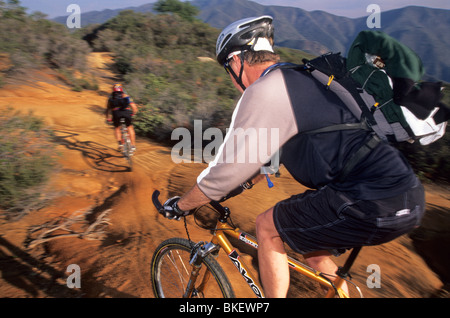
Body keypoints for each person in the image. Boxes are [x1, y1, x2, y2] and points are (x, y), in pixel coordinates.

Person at [158, 16, 425, 297]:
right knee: (313, 252)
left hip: (370, 197)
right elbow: (263, 165)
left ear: (236, 61)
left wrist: (182, 206)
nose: (230, 77)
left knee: (267, 225)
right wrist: (228, 191)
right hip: (406, 195)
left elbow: (226, 171)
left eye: (227, 68)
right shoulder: (302, 78)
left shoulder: (266, 89)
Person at [105, 83, 138, 153]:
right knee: (129, 127)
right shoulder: (125, 95)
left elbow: (108, 110)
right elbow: (134, 107)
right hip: (126, 112)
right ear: (121, 89)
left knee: (117, 128)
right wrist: (133, 113)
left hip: (116, 114)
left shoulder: (111, 98)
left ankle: (121, 145)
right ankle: (133, 145)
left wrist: (108, 118)